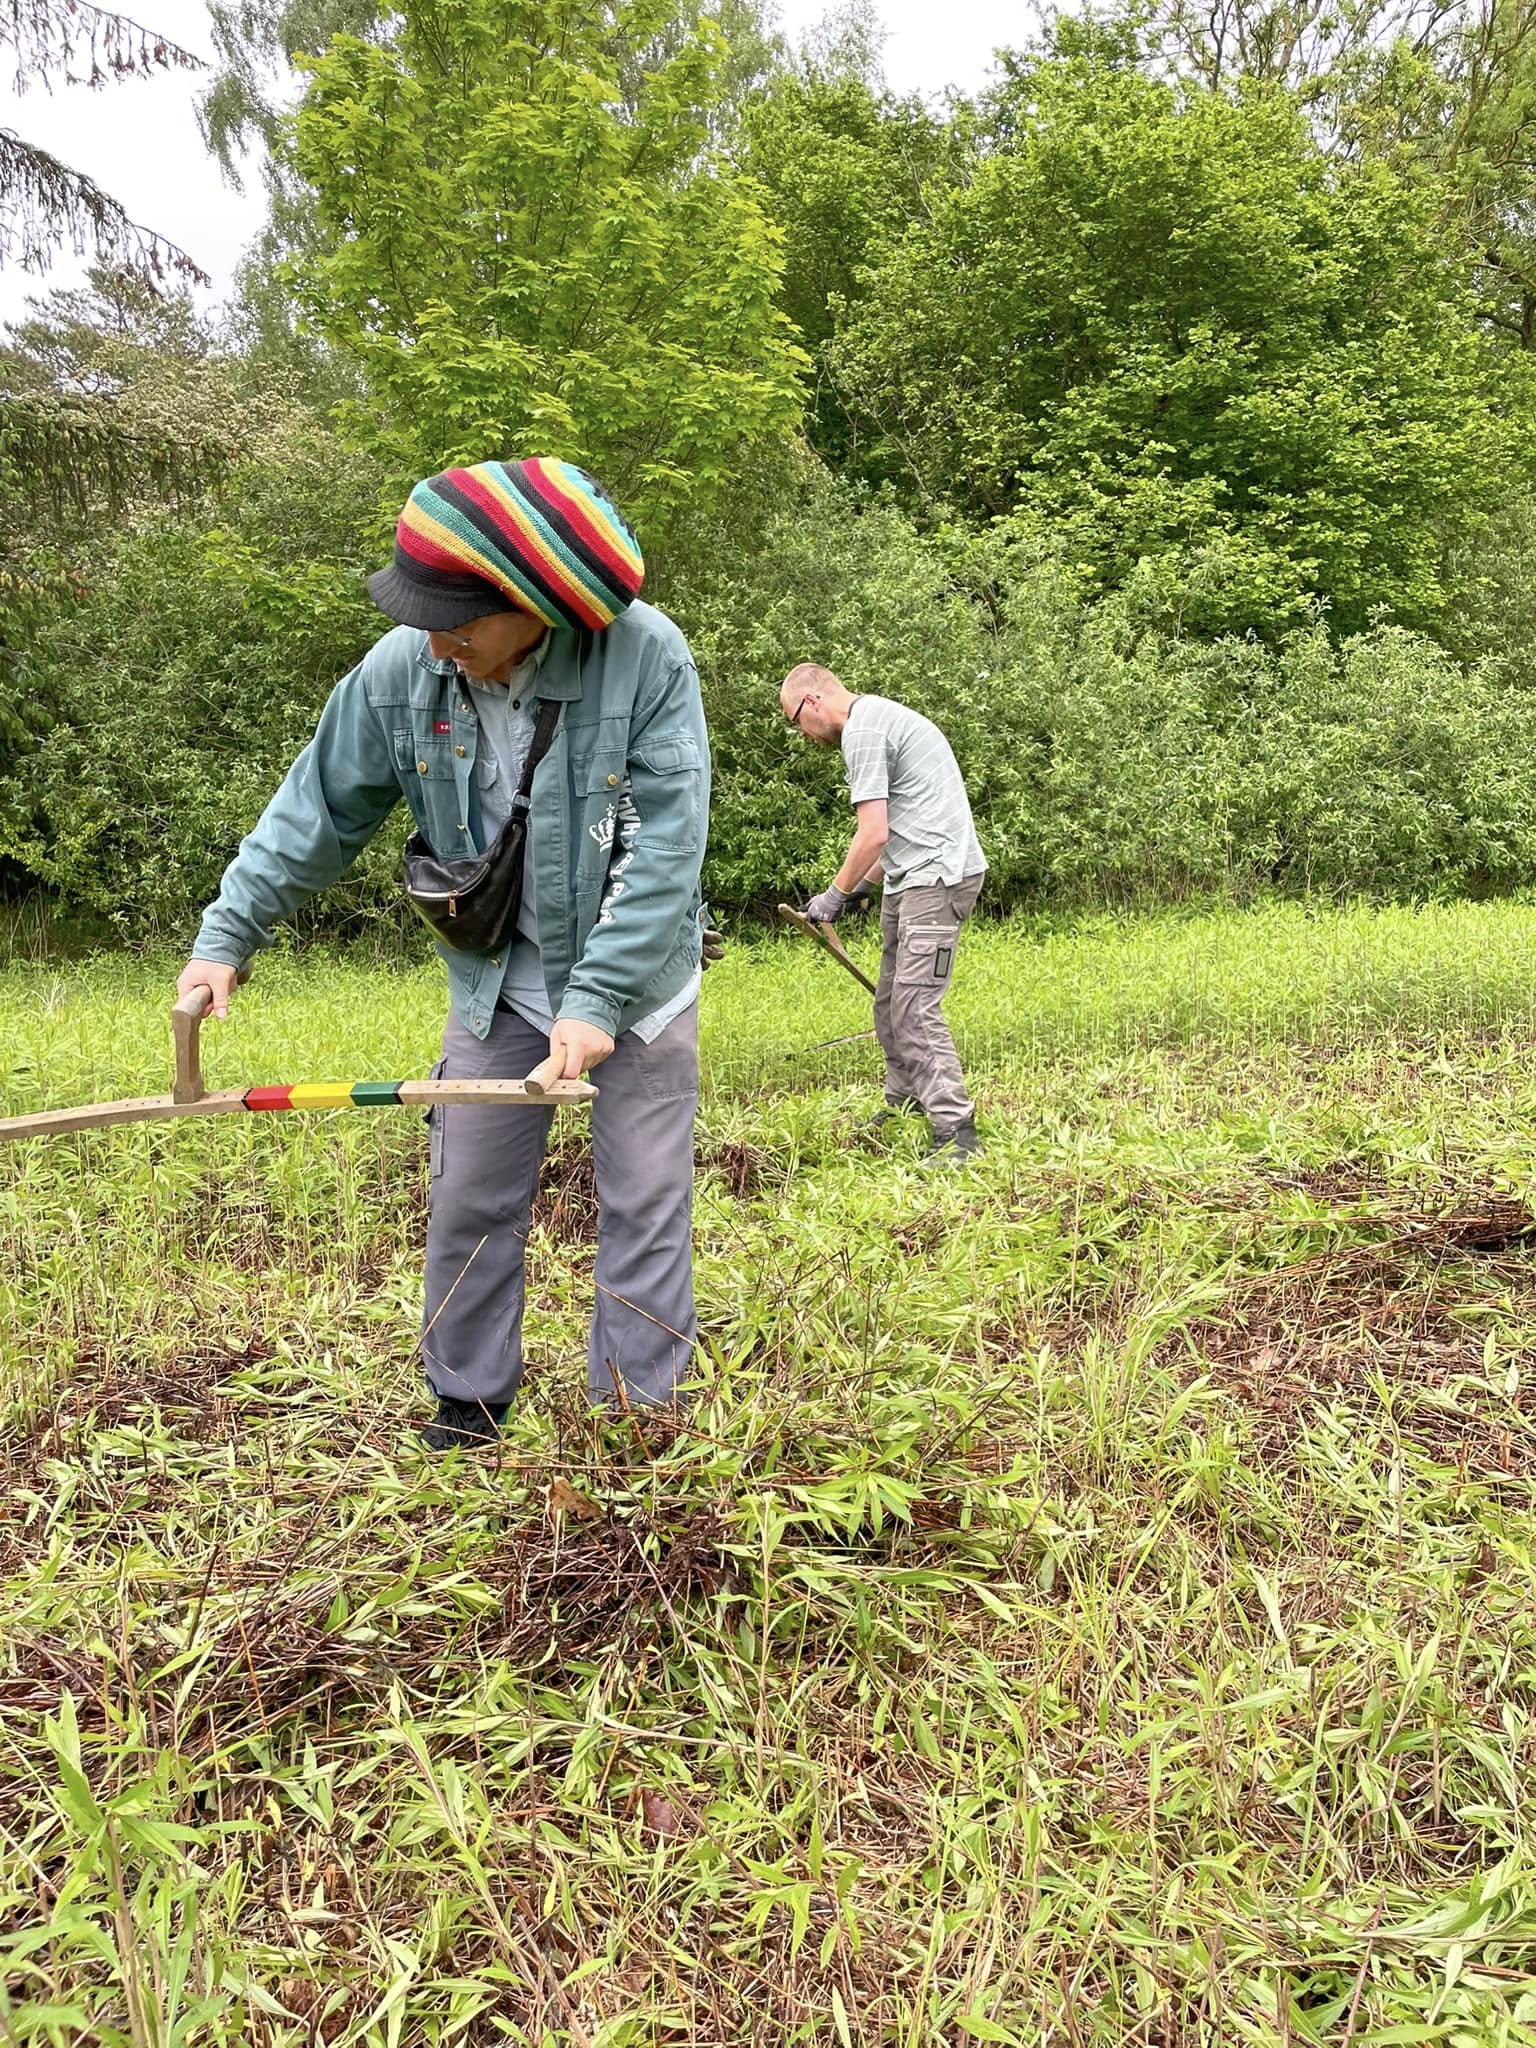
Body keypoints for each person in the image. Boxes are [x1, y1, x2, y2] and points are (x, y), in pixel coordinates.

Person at [178, 458, 711, 1450]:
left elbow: (666, 850)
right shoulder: (404, 670)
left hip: (638, 990)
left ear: (534, 604)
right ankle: (468, 1402)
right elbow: (317, 809)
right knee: (469, 1194)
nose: (436, 640)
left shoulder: (646, 657)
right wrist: (228, 935)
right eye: (425, 618)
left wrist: (597, 999)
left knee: (644, 1197)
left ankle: (639, 1418)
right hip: (496, 986)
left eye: (458, 621)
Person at [781, 662, 986, 1160]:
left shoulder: (863, 732)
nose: (801, 734)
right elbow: (896, 832)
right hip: (911, 878)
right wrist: (857, 891)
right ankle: (905, 1101)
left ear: (812, 702)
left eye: (794, 721)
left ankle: (956, 1131)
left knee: (914, 1007)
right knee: (890, 1003)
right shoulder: (876, 719)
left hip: (936, 880)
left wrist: (834, 894)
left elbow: (873, 833)